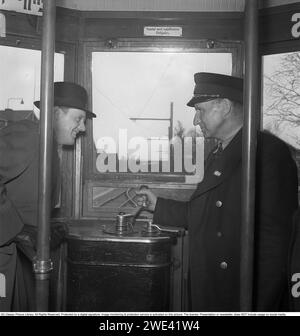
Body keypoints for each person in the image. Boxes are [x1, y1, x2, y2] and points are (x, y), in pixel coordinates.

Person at [136, 72, 299, 312]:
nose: (195, 120)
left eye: (200, 110)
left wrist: (260, 306)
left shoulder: (267, 153)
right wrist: (157, 205)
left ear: (223, 106)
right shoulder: (223, 151)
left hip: (239, 295)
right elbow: (208, 214)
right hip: (216, 287)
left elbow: (274, 247)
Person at [0, 82, 96, 312]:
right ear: (54, 112)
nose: (82, 128)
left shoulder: (45, 141)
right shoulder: (27, 135)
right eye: (78, 119)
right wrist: (18, 228)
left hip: (21, 256)